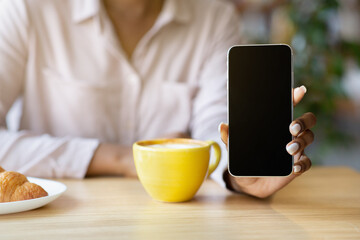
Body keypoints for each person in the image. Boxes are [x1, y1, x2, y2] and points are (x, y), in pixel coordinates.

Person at [0, 0, 316, 198]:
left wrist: (237, 176)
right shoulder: (27, 8)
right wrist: (122, 158)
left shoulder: (214, 19)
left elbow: (216, 129)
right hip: (54, 217)